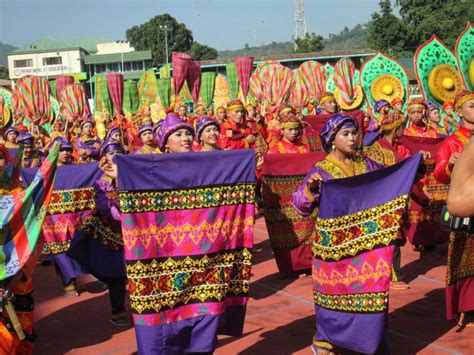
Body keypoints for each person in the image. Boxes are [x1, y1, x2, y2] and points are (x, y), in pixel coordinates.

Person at [292, 113, 383, 353]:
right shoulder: (321, 170)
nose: (353, 138)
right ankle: (325, 340)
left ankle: (366, 339)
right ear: (332, 139)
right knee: (333, 295)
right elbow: (300, 205)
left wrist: (415, 165)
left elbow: (387, 181)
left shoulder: (366, 164)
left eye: (354, 133)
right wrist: (311, 191)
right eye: (346, 134)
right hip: (333, 245)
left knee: (369, 292)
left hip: (365, 240)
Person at [68, 140, 130, 327]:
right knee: (116, 274)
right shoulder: (102, 183)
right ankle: (118, 311)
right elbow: (107, 210)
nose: (115, 157)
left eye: (118, 152)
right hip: (110, 232)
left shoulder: (133, 176)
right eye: (111, 154)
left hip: (134, 230)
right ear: (104, 158)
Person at [433, 90, 474, 327]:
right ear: (459, 111)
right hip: (464, 210)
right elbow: (439, 174)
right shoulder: (452, 141)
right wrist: (450, 166)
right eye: (471, 106)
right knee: (465, 258)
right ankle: (467, 308)